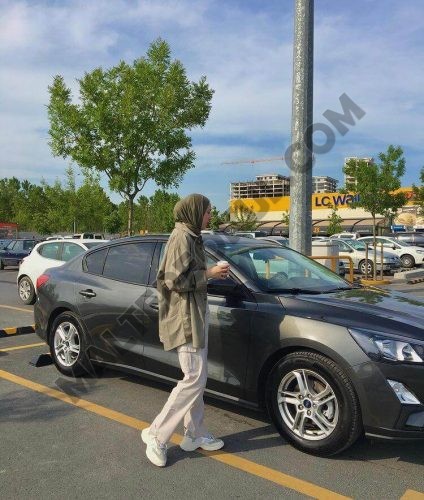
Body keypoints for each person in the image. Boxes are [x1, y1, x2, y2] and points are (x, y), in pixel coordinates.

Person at [141, 193, 230, 467]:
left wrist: (209, 273)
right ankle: (157, 434)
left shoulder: (192, 236)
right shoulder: (181, 238)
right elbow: (173, 280)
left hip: (195, 315)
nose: (210, 216)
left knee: (197, 378)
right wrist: (210, 274)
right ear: (195, 212)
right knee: (193, 378)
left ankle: (195, 433)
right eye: (207, 211)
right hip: (185, 317)